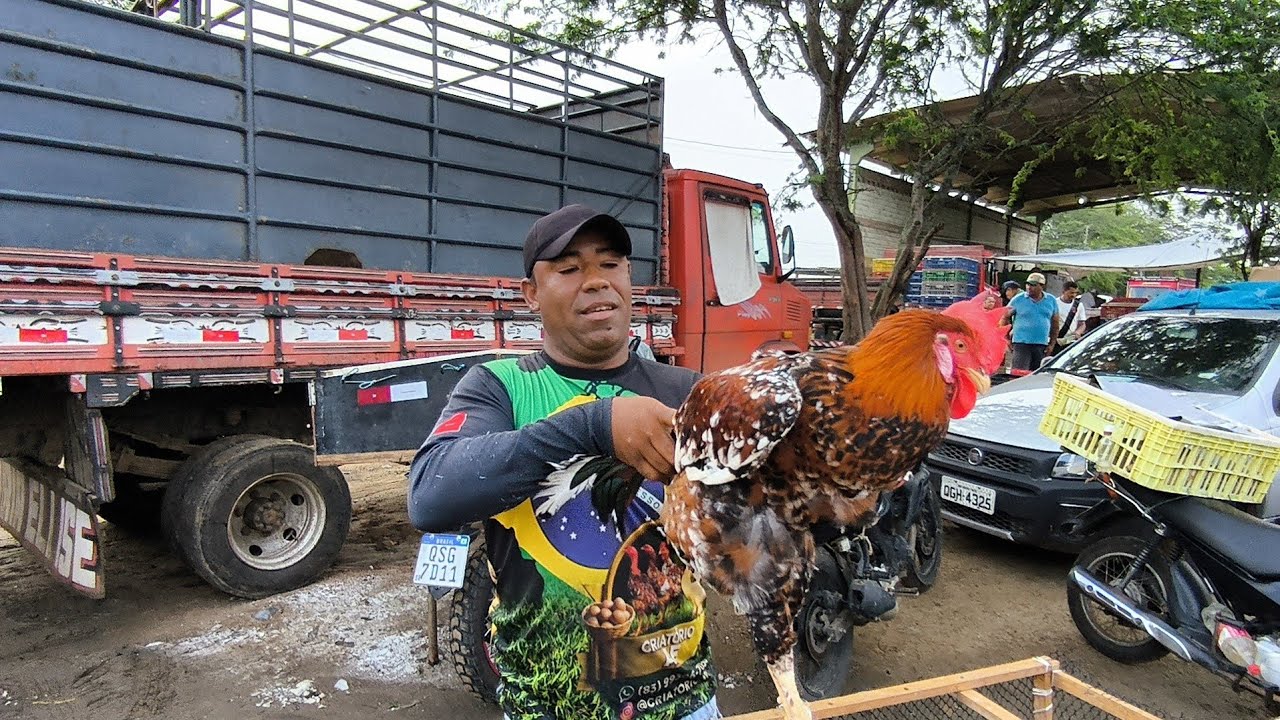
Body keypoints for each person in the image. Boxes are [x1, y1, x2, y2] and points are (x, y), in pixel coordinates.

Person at [407, 205, 720, 720]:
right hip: (543, 708)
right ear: (531, 293)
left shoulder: (686, 391)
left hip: (684, 703)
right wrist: (594, 426)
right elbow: (431, 495)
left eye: (611, 265)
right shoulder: (500, 386)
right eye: (570, 269)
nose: (597, 283)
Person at [1000, 272, 1060, 371]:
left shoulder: (1051, 300)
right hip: (1021, 343)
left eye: (1033, 285)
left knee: (1036, 374)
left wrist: (1052, 343)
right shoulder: (1018, 299)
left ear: (1042, 286)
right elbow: (1004, 317)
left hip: (1041, 344)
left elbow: (1055, 324)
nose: (1029, 287)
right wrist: (1006, 338)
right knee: (1018, 373)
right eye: (1028, 284)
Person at [1055, 281, 1088, 347]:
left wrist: (1078, 332)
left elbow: (1082, 324)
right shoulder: (1054, 303)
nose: (1073, 295)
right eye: (1071, 293)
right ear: (1064, 291)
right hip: (1055, 340)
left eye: (1076, 293)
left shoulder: (1078, 305)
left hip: (1070, 340)